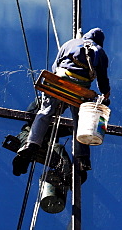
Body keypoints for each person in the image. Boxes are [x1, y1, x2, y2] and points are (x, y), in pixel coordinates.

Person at [13, 28, 110, 180]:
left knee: (44, 112)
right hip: (79, 88)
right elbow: (102, 78)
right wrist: (106, 93)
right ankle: (82, 158)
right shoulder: (99, 51)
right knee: (81, 123)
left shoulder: (70, 43)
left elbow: (55, 65)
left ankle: (31, 143)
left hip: (59, 80)